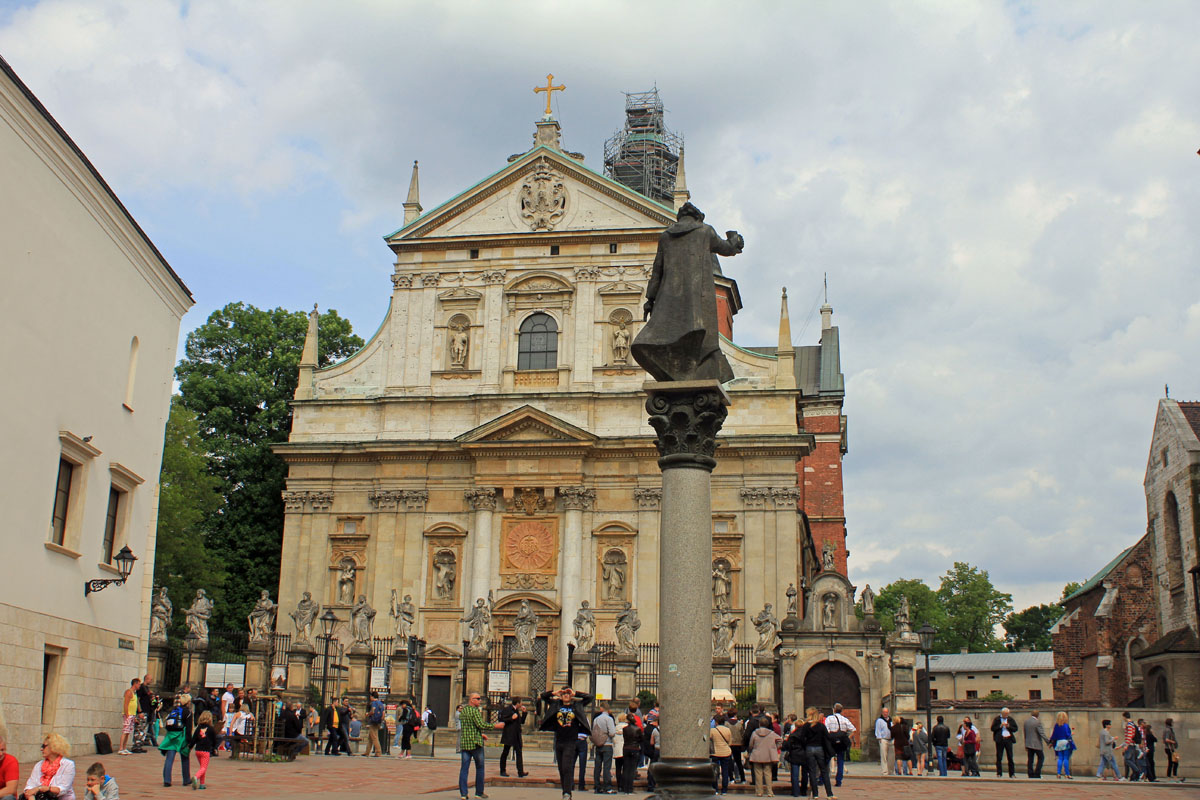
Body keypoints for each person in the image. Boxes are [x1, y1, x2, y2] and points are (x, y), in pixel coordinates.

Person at [539, 686, 593, 800]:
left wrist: (576, 693)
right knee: (561, 768)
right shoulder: (556, 705)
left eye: (568, 693)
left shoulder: (576, 706)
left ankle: (567, 793)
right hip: (559, 740)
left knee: (566, 767)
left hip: (571, 741)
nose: (566, 695)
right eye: (564, 694)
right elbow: (543, 696)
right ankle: (565, 791)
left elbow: (590, 697)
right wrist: (554, 693)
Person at [457, 692, 492, 800]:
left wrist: (480, 733)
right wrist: (495, 725)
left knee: (464, 769)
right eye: (478, 698)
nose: (480, 700)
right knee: (480, 768)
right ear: (472, 700)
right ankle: (479, 792)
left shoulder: (463, 712)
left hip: (465, 743)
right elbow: (481, 724)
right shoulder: (475, 711)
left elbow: (469, 727)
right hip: (475, 743)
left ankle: (463, 794)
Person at [23, 734, 74, 800]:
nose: (41, 749)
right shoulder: (39, 765)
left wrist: (40, 788)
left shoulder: (68, 765)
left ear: (54, 747)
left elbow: (63, 789)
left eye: (44, 746)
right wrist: (31, 797)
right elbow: (29, 786)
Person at [159, 695, 193, 787]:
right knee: (185, 758)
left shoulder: (174, 710)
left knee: (169, 758)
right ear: (188, 702)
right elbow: (189, 728)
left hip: (171, 736)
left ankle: (167, 779)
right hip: (181, 737)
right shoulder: (188, 712)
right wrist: (189, 741)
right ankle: (186, 779)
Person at [747, 716, 781, 798]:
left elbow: (751, 744)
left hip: (757, 755)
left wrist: (752, 749)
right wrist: (775, 747)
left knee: (758, 774)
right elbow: (780, 739)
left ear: (759, 724)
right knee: (768, 773)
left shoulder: (755, 733)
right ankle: (769, 791)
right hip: (768, 755)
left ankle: (759, 791)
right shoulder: (771, 733)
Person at [823, 703, 855, 788]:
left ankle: (823, 779)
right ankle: (839, 780)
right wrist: (848, 737)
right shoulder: (844, 719)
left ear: (834, 709)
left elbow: (826, 730)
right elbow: (853, 729)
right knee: (840, 761)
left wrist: (829, 738)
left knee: (827, 759)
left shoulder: (829, 718)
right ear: (842, 710)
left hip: (832, 741)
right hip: (842, 741)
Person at [498, 696, 528, 777]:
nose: (522, 704)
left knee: (519, 752)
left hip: (516, 735)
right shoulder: (508, 709)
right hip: (509, 734)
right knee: (505, 752)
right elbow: (503, 719)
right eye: (521, 702)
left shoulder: (516, 710)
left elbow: (521, 721)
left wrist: (524, 713)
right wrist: (511, 718)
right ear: (517, 703)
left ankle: (520, 772)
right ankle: (502, 770)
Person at [590, 702, 617, 794]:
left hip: (598, 744)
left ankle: (597, 786)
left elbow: (594, 731)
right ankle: (607, 787)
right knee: (606, 767)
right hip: (607, 744)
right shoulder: (609, 719)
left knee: (597, 766)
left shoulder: (596, 719)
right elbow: (612, 732)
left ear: (601, 708)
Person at [189, 711, 218, 789]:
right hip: (206, 751)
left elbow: (194, 739)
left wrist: (190, 747)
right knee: (203, 768)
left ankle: (202, 784)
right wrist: (214, 748)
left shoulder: (198, 728)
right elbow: (215, 740)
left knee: (202, 767)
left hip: (198, 750)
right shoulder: (211, 729)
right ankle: (196, 777)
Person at [990, 707, 1018, 778]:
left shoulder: (1010, 719)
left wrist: (1009, 726)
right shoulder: (997, 719)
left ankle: (1012, 773)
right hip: (1000, 739)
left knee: (1010, 757)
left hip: (1008, 739)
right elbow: (992, 728)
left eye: (1007, 714)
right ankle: (999, 773)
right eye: (1005, 714)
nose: (1006, 715)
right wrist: (1000, 726)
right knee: (999, 756)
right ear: (1002, 713)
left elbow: (1015, 728)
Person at [710, 713, 734, 795]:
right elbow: (730, 742)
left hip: (715, 753)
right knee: (725, 771)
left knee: (715, 772)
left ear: (716, 722)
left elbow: (710, 741)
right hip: (726, 752)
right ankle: (724, 790)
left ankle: (715, 789)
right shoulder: (728, 730)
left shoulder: (712, 730)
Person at [619, 714, 643, 794]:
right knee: (632, 769)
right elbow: (641, 739)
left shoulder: (625, 729)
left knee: (626, 768)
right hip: (635, 748)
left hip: (626, 748)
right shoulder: (638, 729)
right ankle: (630, 788)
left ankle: (625, 788)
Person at [1048, 710, 1075, 779]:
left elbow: (1054, 735)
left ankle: (1058, 773)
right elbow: (1067, 735)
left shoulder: (1056, 726)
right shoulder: (1066, 726)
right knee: (1066, 758)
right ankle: (1067, 774)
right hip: (1065, 742)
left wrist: (1051, 743)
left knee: (1060, 758)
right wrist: (1071, 734)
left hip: (1058, 743)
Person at [1023, 709, 1047, 779]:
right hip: (1036, 744)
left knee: (1030, 759)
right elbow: (1041, 733)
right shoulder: (1037, 722)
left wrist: (1025, 743)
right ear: (1038, 715)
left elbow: (1025, 733)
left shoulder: (1026, 722)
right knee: (1041, 758)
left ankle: (1030, 773)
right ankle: (1037, 773)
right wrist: (1048, 741)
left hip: (1028, 743)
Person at [118, 678, 140, 755]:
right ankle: (120, 748)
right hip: (129, 714)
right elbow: (126, 704)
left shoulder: (135, 693)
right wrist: (127, 714)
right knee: (125, 731)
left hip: (132, 714)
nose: (139, 686)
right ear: (135, 684)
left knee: (128, 732)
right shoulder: (129, 692)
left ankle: (124, 747)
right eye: (138, 684)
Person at [1121, 710, 1143, 781]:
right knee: (1132, 760)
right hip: (1132, 744)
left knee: (1127, 759)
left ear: (1124, 717)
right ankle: (1135, 776)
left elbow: (1130, 735)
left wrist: (1126, 745)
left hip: (1130, 744)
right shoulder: (1132, 724)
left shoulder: (1129, 724)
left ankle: (1138, 772)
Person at [727, 710, 746, 785]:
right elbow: (742, 734)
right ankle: (743, 778)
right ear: (735, 715)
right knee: (738, 762)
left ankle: (731, 778)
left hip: (729, 744)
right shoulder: (739, 724)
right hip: (738, 744)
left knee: (729, 761)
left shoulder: (726, 724)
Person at [874, 707, 893, 777]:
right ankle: (885, 771)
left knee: (891, 756)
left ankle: (890, 770)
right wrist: (880, 739)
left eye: (886, 712)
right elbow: (878, 730)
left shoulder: (891, 720)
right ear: (882, 713)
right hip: (883, 739)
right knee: (884, 756)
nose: (885, 713)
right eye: (884, 712)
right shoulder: (879, 720)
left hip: (890, 739)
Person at [0, 733, 20, 800]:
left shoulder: (10, 761)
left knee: (8, 798)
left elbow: (11, 789)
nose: (0, 754)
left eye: (2, 750)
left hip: (3, 796)